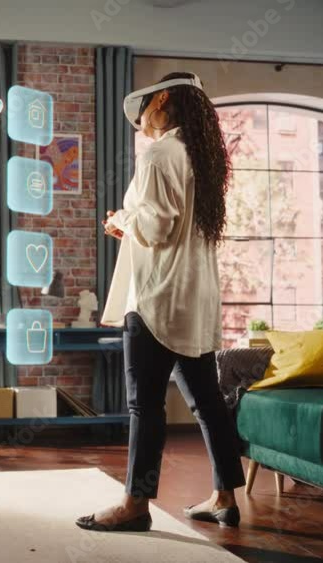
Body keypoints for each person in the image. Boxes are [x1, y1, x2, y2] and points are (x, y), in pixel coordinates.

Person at [75, 72, 245, 532]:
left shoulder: (160, 154)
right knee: (207, 401)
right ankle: (225, 496)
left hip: (156, 298)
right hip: (195, 297)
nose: (142, 124)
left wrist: (121, 218)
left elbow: (156, 228)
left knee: (144, 405)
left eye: (145, 111)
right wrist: (133, 221)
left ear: (163, 98)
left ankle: (134, 504)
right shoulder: (205, 161)